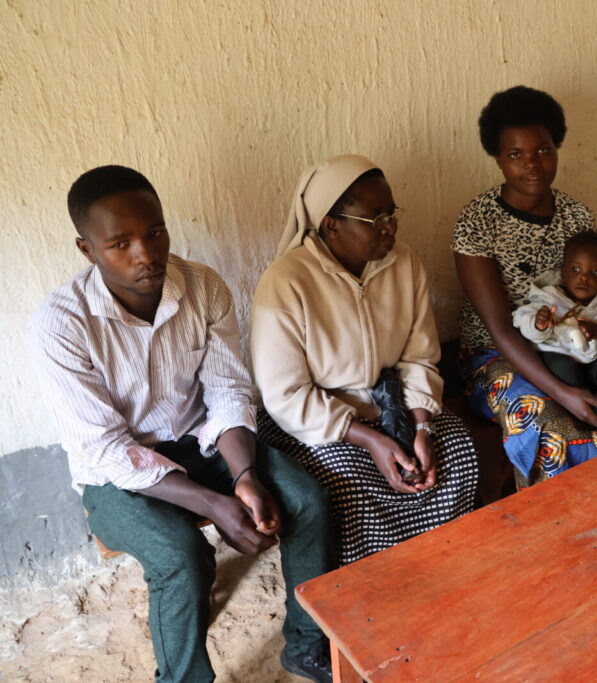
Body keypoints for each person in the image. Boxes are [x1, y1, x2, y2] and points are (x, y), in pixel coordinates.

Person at [28, 166, 335, 683]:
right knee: (181, 555)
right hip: (114, 476)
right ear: (87, 250)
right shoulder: (61, 325)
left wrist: (244, 477)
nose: (145, 254)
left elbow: (228, 391)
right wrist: (214, 504)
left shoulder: (202, 287)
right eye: (120, 244)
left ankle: (307, 645)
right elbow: (104, 449)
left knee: (306, 499)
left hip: (200, 443)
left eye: (154, 233)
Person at [251, 154, 478, 567]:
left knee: (456, 449)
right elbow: (286, 395)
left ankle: (440, 566)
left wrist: (421, 425)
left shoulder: (404, 262)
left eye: (392, 213)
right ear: (331, 225)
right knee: (349, 482)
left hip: (392, 402)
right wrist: (371, 440)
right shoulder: (286, 282)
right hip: (319, 419)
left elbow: (419, 355)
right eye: (376, 219)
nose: (391, 227)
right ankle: (375, 580)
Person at [452, 85, 597, 487]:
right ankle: (567, 520)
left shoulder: (577, 217)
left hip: (580, 346)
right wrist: (561, 392)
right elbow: (500, 329)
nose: (532, 164)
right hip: (495, 357)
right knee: (557, 426)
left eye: (543, 150)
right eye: (515, 154)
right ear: (498, 158)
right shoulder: (477, 223)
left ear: (556, 149)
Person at [512, 230, 597, 421]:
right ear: (563, 271)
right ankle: (581, 401)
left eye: (595, 272)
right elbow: (521, 319)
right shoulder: (548, 297)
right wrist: (539, 325)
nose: (584, 277)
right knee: (562, 368)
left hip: (591, 356)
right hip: (557, 354)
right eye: (575, 269)